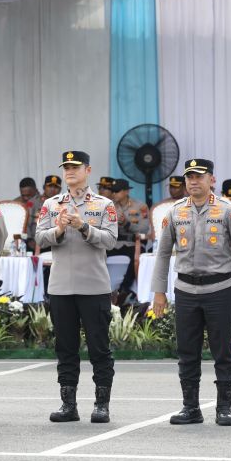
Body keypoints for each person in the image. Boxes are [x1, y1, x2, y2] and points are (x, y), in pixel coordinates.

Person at [151, 158, 231, 427]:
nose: (193, 181)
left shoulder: (227, 211)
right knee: (187, 351)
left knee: (223, 350)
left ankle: (224, 408)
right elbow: (163, 254)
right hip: (185, 290)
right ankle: (191, 408)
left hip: (219, 289)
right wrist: (159, 292)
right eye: (189, 177)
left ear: (212, 179)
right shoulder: (174, 212)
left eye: (199, 176)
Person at [36, 151, 119, 424]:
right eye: (66, 167)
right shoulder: (51, 204)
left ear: (88, 170)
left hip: (93, 286)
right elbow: (39, 238)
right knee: (66, 348)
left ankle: (101, 403)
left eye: (75, 167)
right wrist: (58, 229)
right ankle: (68, 404)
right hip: (61, 287)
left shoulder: (104, 204)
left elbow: (110, 241)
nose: (69, 171)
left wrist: (84, 227)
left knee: (99, 347)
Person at [106, 179, 149, 302]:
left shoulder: (140, 206)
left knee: (136, 258)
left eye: (117, 191)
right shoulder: (108, 206)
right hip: (112, 243)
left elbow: (144, 228)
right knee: (95, 255)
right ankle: (98, 289)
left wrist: (126, 223)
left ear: (126, 191)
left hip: (131, 242)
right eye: (112, 191)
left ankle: (124, 290)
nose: (114, 194)